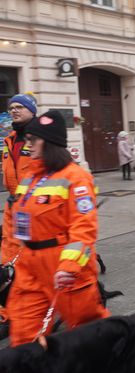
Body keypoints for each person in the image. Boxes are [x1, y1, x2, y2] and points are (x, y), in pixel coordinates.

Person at [7, 110, 110, 346]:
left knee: (88, 333)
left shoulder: (76, 178)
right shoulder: (29, 178)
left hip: (64, 269)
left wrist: (69, 266)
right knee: (23, 336)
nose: (28, 144)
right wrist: (8, 259)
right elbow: (14, 222)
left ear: (50, 143)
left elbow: (84, 228)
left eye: (33, 139)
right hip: (29, 267)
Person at [0, 93, 39, 339]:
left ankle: (27, 313)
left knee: (27, 263)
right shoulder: (9, 140)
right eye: (11, 107)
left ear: (32, 110)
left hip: (35, 208)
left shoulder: (41, 138)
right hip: (13, 207)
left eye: (20, 107)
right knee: (6, 262)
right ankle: (6, 315)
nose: (14, 111)